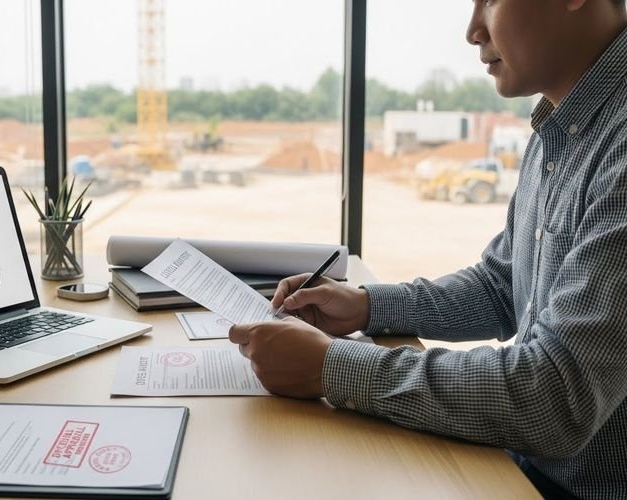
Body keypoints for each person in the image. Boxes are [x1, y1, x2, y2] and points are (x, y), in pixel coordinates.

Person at [228, 1, 627, 498]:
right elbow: (502, 285)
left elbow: (554, 396)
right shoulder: (560, 128)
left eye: (491, 1)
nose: (472, 30)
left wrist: (330, 367)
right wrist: (368, 306)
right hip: (518, 468)